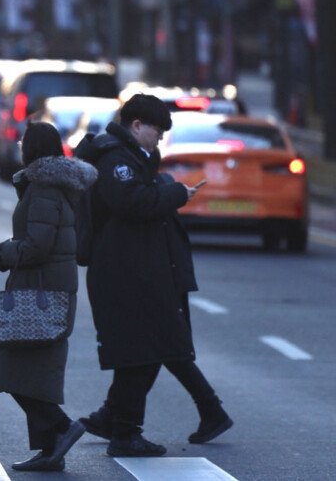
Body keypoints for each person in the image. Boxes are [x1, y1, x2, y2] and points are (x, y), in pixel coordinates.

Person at [74, 94, 232, 457]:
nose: (160, 138)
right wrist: (174, 193)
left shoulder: (133, 157)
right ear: (137, 126)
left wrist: (167, 190)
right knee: (145, 348)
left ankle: (116, 419)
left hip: (138, 268)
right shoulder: (116, 159)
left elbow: (141, 198)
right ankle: (125, 431)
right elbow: (132, 203)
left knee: (149, 346)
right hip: (124, 271)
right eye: (157, 130)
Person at [0, 122, 95, 472]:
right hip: (48, 288)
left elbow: (37, 246)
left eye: (22, 142)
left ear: (30, 149)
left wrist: (5, 253)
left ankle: (62, 428)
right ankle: (50, 450)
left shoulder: (45, 189)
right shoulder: (51, 185)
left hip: (41, 290)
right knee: (36, 373)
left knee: (11, 372)